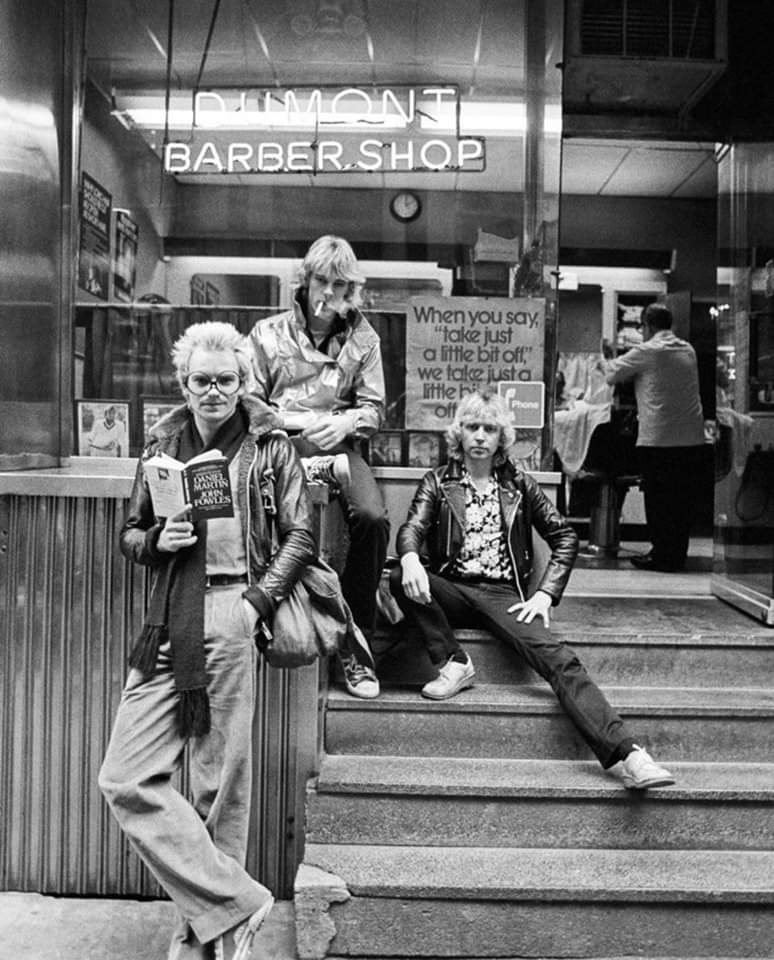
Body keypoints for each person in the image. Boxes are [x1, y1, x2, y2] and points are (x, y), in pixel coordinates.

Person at [99, 321, 321, 960]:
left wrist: (257, 602)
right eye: (201, 380)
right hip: (170, 615)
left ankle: (205, 934)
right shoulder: (162, 440)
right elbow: (130, 531)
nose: (214, 392)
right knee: (124, 776)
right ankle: (238, 903)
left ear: (243, 381)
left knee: (218, 782)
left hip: (233, 607)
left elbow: (300, 538)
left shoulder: (271, 443)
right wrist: (153, 542)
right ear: (184, 382)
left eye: (226, 380)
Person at [389, 389, 675, 790]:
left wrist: (544, 594)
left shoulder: (519, 484)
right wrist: (410, 557)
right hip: (450, 588)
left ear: (501, 436)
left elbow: (564, 536)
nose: (480, 437)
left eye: (490, 428)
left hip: (502, 595)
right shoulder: (438, 481)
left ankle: (630, 756)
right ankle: (454, 662)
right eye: (472, 427)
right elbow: (413, 528)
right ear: (459, 433)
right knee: (399, 574)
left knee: (560, 661)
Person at [250, 235, 388, 698]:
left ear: (352, 290)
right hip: (279, 448)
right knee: (287, 527)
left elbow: (374, 409)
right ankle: (272, 625)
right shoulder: (267, 334)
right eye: (321, 282)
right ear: (304, 281)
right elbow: (248, 403)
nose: (328, 294)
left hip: (340, 448)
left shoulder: (365, 339)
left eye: (339, 285)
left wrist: (347, 421)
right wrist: (304, 423)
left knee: (372, 518)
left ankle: (355, 638)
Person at [601, 302, 706, 572]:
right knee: (680, 501)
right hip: (692, 439)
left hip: (658, 438)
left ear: (645, 326)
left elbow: (612, 374)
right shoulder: (688, 350)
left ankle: (661, 556)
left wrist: (605, 356)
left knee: (659, 501)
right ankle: (676, 555)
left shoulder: (647, 351)